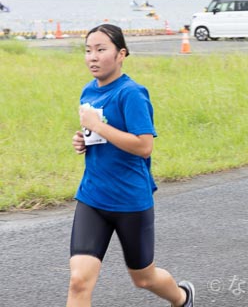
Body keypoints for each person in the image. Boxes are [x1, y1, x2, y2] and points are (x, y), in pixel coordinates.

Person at [68, 24, 194, 307]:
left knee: (144, 278)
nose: (93, 57)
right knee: (79, 281)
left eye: (101, 50)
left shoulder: (132, 93)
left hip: (130, 201)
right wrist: (84, 140)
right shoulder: (88, 91)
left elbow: (143, 145)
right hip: (93, 197)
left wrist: (98, 126)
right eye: (88, 50)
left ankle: (182, 297)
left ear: (121, 54)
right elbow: (100, 136)